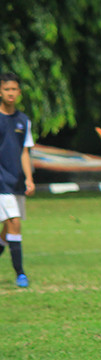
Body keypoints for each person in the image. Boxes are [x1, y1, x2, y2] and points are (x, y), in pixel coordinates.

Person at [0, 72, 34, 288]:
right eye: (6, 89)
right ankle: (20, 274)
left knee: (7, 228)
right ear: (0, 92)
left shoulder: (23, 120)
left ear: (19, 92)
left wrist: (29, 178)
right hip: (1, 180)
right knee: (14, 223)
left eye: (14, 89)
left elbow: (24, 151)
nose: (10, 93)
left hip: (16, 181)